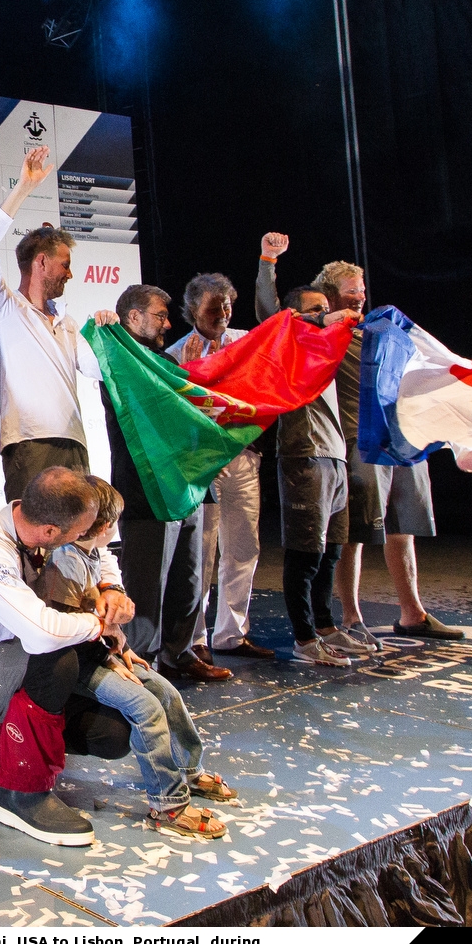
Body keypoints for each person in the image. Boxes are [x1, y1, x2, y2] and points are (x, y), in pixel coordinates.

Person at [0, 476, 238, 839]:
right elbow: (54, 632)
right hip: (68, 659)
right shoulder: (61, 558)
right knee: (145, 707)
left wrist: (115, 620)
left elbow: (103, 562)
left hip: (94, 652)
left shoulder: (83, 549)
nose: (88, 534)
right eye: (88, 528)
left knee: (165, 692)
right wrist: (108, 644)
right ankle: (168, 804)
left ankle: (188, 770)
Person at [309, 255, 472, 646]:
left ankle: (412, 613)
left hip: (401, 438)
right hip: (362, 440)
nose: (359, 298)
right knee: (354, 532)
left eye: (362, 291)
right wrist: (269, 264)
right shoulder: (323, 334)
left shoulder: (381, 329)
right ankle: (351, 618)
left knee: (402, 528)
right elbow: (280, 317)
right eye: (351, 292)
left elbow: (429, 361)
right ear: (330, 296)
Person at [0, 147, 118, 501]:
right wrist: (23, 187)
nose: (70, 273)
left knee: (77, 533)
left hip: (75, 444)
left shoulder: (68, 323)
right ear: (40, 263)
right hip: (29, 444)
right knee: (36, 534)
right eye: (64, 264)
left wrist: (110, 332)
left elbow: (98, 369)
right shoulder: (5, 307)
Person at [105, 285, 233, 683]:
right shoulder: (119, 358)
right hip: (147, 490)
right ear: (133, 317)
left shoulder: (166, 361)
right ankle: (139, 661)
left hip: (186, 487)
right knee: (147, 585)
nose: (168, 323)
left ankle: (179, 653)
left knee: (189, 579)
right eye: (159, 316)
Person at [253, 244, 364, 666]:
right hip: (304, 456)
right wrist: (268, 262)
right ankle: (304, 639)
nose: (326, 315)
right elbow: (274, 314)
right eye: (315, 310)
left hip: (335, 457)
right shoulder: (291, 342)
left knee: (331, 550)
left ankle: (327, 627)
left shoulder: (329, 347)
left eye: (326, 308)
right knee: (306, 554)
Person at [166, 273, 273, 661]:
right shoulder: (177, 353)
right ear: (194, 309)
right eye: (214, 307)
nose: (223, 313)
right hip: (203, 465)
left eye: (227, 305)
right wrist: (191, 368)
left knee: (243, 546)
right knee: (202, 553)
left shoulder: (245, 341)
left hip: (242, 457)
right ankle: (195, 639)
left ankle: (232, 633)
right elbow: (175, 414)